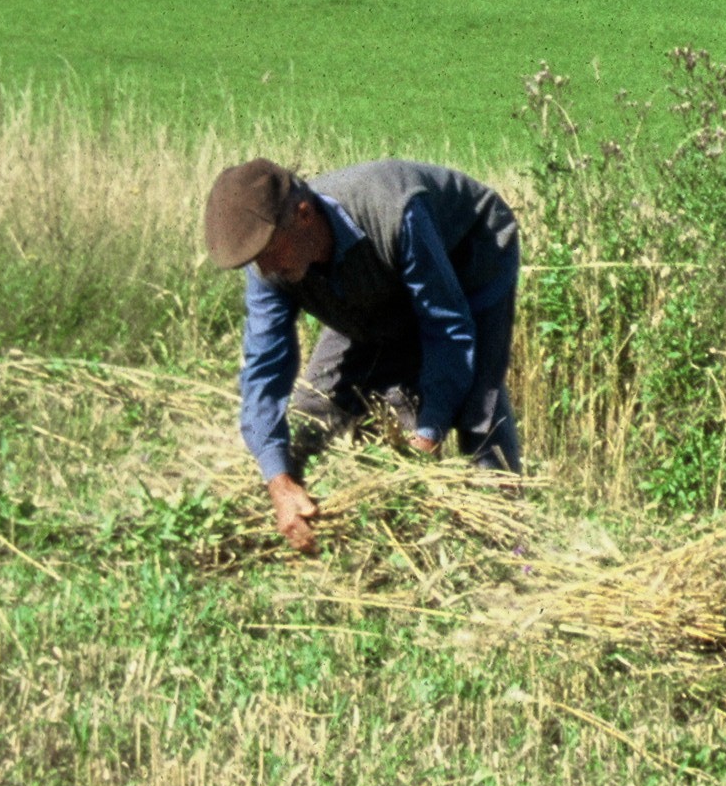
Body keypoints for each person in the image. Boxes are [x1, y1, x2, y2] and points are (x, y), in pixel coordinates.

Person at [203, 156, 524, 554]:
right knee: (316, 407)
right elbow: (263, 370)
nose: (265, 269)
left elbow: (447, 328)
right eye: (255, 261)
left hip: (472, 250)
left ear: (303, 215)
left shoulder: (393, 210)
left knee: (478, 403)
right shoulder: (272, 265)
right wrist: (279, 480)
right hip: (375, 266)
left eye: (268, 252)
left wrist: (430, 431)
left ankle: (506, 535)